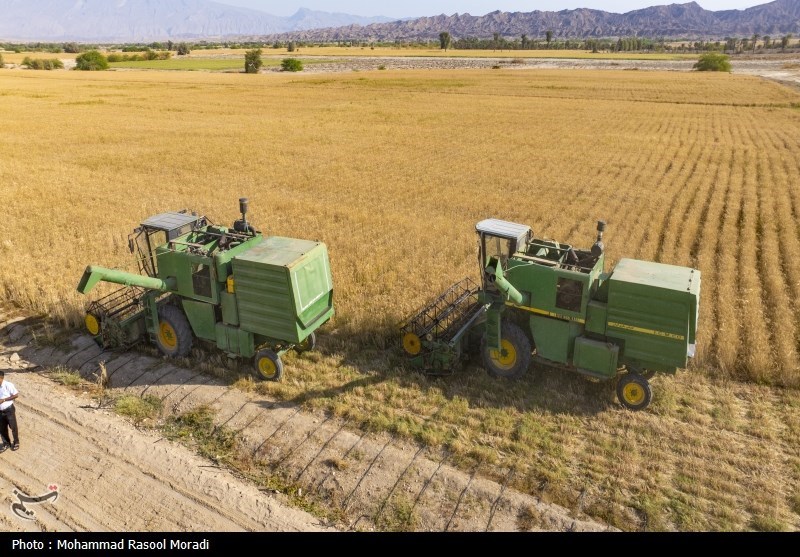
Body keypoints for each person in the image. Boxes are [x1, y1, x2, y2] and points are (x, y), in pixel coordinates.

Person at [0, 371, 19, 452]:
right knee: (2, 428)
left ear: (1, 378)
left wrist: (4, 399)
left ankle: (16, 442)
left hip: (9, 410)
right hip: (0, 411)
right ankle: (6, 443)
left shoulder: (8, 385)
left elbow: (16, 395)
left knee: (13, 427)